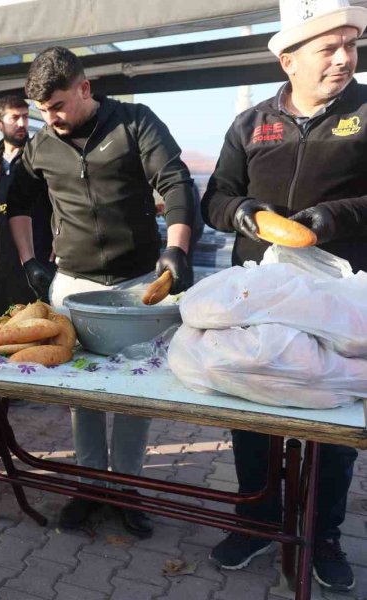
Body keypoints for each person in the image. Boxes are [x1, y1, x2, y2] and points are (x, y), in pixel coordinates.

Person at [202, 0, 367, 590]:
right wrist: (241, 212)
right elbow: (215, 197)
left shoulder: (366, 112)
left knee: (333, 422)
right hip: (259, 294)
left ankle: (322, 534)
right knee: (252, 408)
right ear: (289, 59)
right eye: (330, 48)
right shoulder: (251, 124)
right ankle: (256, 521)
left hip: (338, 302)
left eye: (351, 45)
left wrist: (332, 218)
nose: (345, 59)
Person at [6, 47, 197, 538]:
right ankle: (89, 485)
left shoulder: (134, 123)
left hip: (137, 283)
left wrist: (175, 249)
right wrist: (29, 259)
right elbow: (20, 202)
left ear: (84, 88)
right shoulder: (42, 144)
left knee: (136, 388)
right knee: (81, 389)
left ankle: (126, 487)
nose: (50, 119)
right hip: (73, 281)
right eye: (42, 111)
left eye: (58, 106)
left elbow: (175, 182)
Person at [0, 95, 55, 315]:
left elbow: (58, 197)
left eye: (25, 117)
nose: (22, 124)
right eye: (15, 117)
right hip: (2, 256)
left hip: (38, 250)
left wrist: (59, 234)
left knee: (38, 316)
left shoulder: (39, 156)